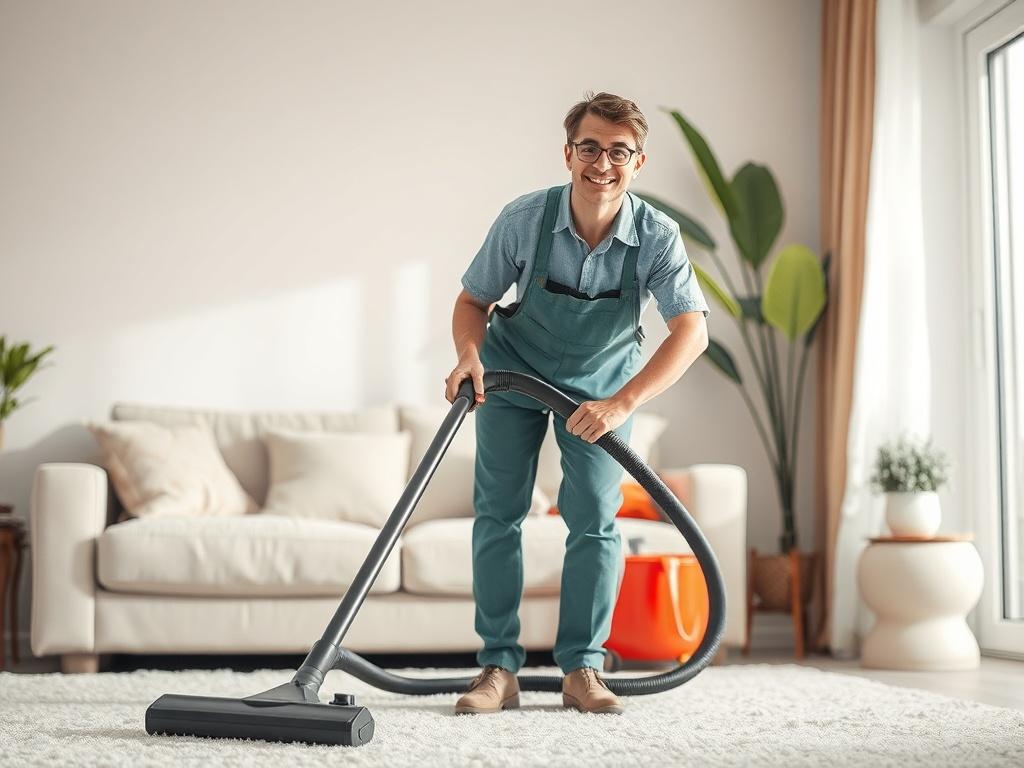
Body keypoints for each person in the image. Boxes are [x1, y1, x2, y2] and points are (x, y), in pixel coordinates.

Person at [444, 91, 709, 715]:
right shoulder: (524, 219)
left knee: (594, 519)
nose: (602, 163)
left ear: (638, 162)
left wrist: (621, 403)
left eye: (619, 151)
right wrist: (467, 355)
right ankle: (497, 669)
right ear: (568, 154)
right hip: (511, 373)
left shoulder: (657, 237)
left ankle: (582, 671)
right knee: (499, 514)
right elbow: (472, 301)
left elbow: (691, 331)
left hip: (599, 386)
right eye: (590, 147)